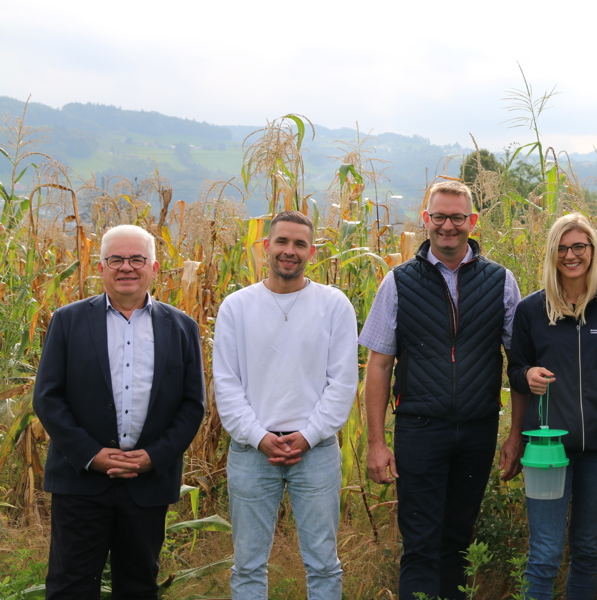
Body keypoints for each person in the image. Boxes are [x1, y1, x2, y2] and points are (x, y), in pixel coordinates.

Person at [360, 181, 522, 600]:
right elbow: (378, 365)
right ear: (425, 219)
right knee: (420, 543)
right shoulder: (397, 282)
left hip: (477, 428)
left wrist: (516, 434)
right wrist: (376, 443)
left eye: (456, 217)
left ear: (472, 221)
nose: (447, 226)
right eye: (439, 216)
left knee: (458, 540)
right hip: (419, 428)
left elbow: (518, 365)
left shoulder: (501, 282)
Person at [32, 224, 206, 599]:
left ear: (154, 268)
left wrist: (153, 457)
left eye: (137, 259)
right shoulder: (68, 321)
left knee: (139, 585)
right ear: (101, 267)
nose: (126, 267)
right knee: (70, 585)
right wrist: (91, 454)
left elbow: (193, 405)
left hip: (147, 484)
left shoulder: (182, 328)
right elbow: (48, 397)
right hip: (80, 480)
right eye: (116, 259)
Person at [213, 210, 358, 600]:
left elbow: (342, 382)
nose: (289, 251)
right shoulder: (237, 307)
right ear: (266, 246)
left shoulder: (333, 305)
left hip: (316, 452)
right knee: (247, 567)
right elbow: (226, 384)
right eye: (281, 242)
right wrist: (258, 436)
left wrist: (308, 436)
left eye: (299, 244)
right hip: (250, 452)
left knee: (324, 565)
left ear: (312, 251)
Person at [505, 213, 597, 599]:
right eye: (562, 248)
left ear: (592, 251)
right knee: (545, 553)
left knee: (586, 550)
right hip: (546, 453)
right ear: (552, 253)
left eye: (579, 247)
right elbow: (515, 370)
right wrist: (527, 374)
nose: (570, 255)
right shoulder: (532, 310)